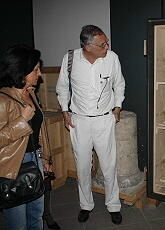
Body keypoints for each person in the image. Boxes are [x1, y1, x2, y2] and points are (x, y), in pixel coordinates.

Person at [56, 25, 125, 224]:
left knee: (109, 166)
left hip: (105, 119)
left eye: (106, 42)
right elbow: (62, 87)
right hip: (79, 122)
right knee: (82, 166)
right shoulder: (70, 59)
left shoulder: (112, 58)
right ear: (88, 46)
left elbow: (119, 84)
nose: (107, 46)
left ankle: (113, 205)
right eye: (102, 44)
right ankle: (86, 205)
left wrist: (117, 108)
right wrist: (64, 111)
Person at [0, 45, 53, 229]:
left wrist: (45, 157)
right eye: (36, 70)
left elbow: (40, 129)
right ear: (21, 71)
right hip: (13, 166)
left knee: (36, 217)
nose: (40, 74)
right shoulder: (2, 100)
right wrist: (22, 120)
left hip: (35, 160)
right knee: (18, 224)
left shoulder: (31, 94)